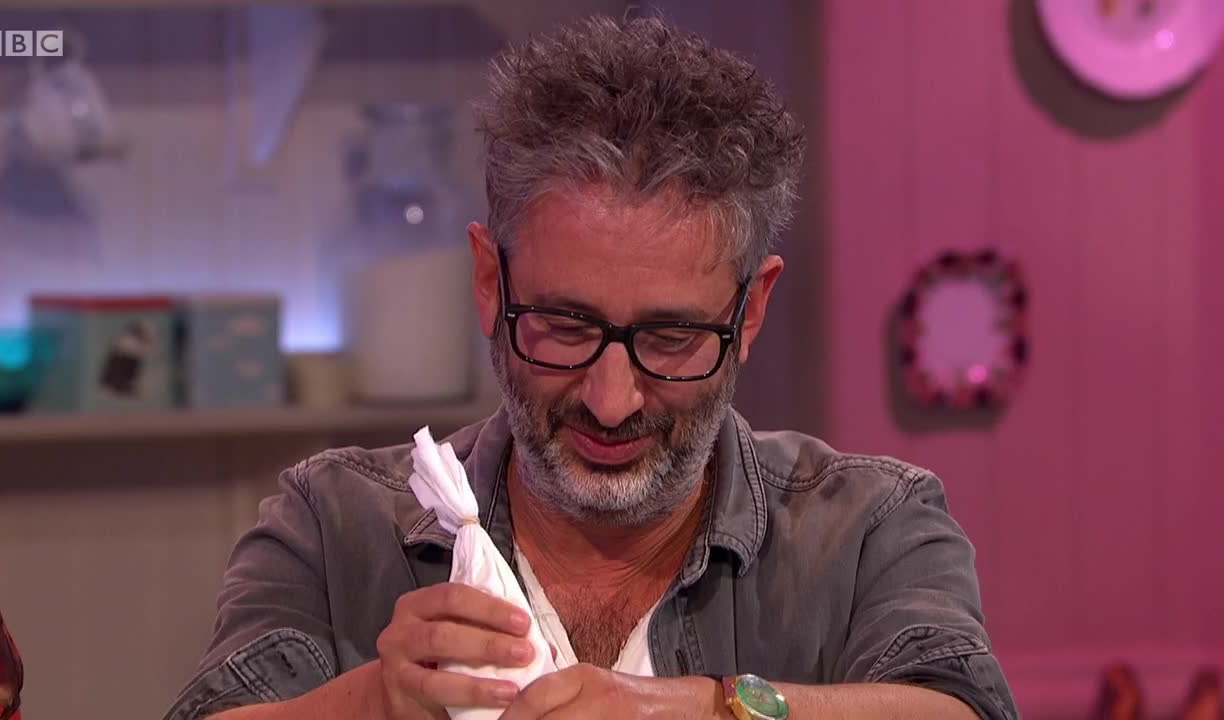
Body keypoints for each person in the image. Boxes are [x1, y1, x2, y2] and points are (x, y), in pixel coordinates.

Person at [164, 14, 1019, 720]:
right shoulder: (334, 526)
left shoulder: (866, 530)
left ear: (750, 311)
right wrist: (373, 703)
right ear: (490, 282)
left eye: (671, 339)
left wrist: (702, 709)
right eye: (566, 327)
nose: (611, 402)